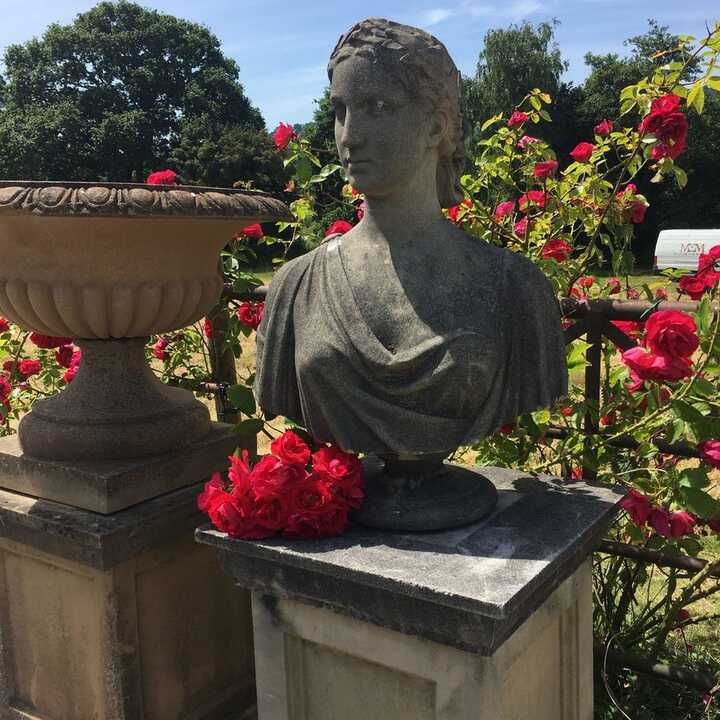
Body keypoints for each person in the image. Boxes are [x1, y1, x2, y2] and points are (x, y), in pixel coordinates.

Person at [255, 17, 567, 457]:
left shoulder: (515, 287)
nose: (350, 136)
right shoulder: (295, 289)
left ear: (437, 126)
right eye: (340, 110)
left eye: (378, 106)